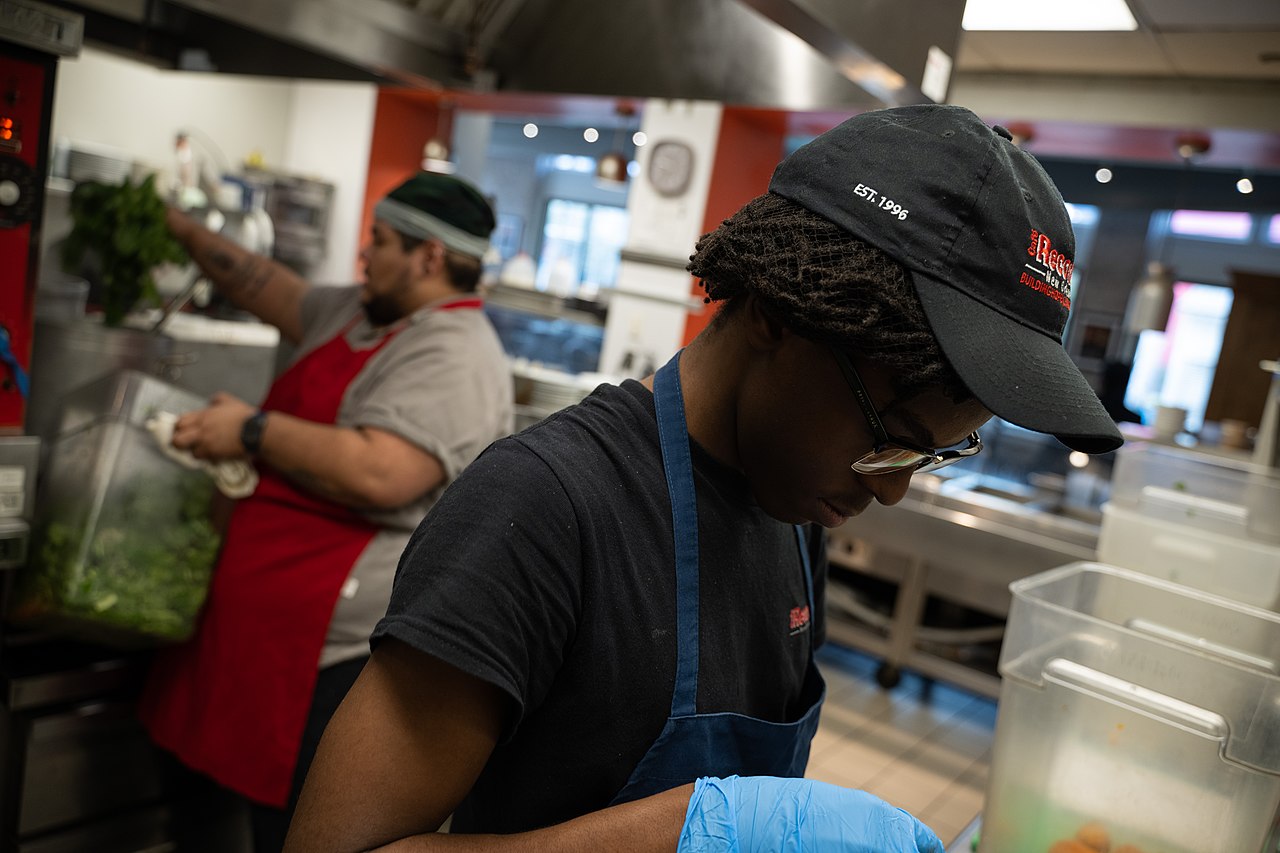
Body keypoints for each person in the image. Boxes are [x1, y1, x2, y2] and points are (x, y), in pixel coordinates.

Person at [286, 105, 1124, 853]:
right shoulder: (544, 507)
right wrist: (677, 832)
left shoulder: (797, 514)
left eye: (933, 453)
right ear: (774, 313)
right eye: (891, 439)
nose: (892, 490)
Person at [136, 171, 515, 851]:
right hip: (249, 637)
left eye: (380, 240)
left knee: (285, 834)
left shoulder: (453, 351)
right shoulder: (361, 310)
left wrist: (252, 431)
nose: (364, 255)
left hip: (325, 655)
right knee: (202, 820)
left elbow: (383, 470)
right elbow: (268, 286)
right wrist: (184, 230)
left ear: (429, 256)